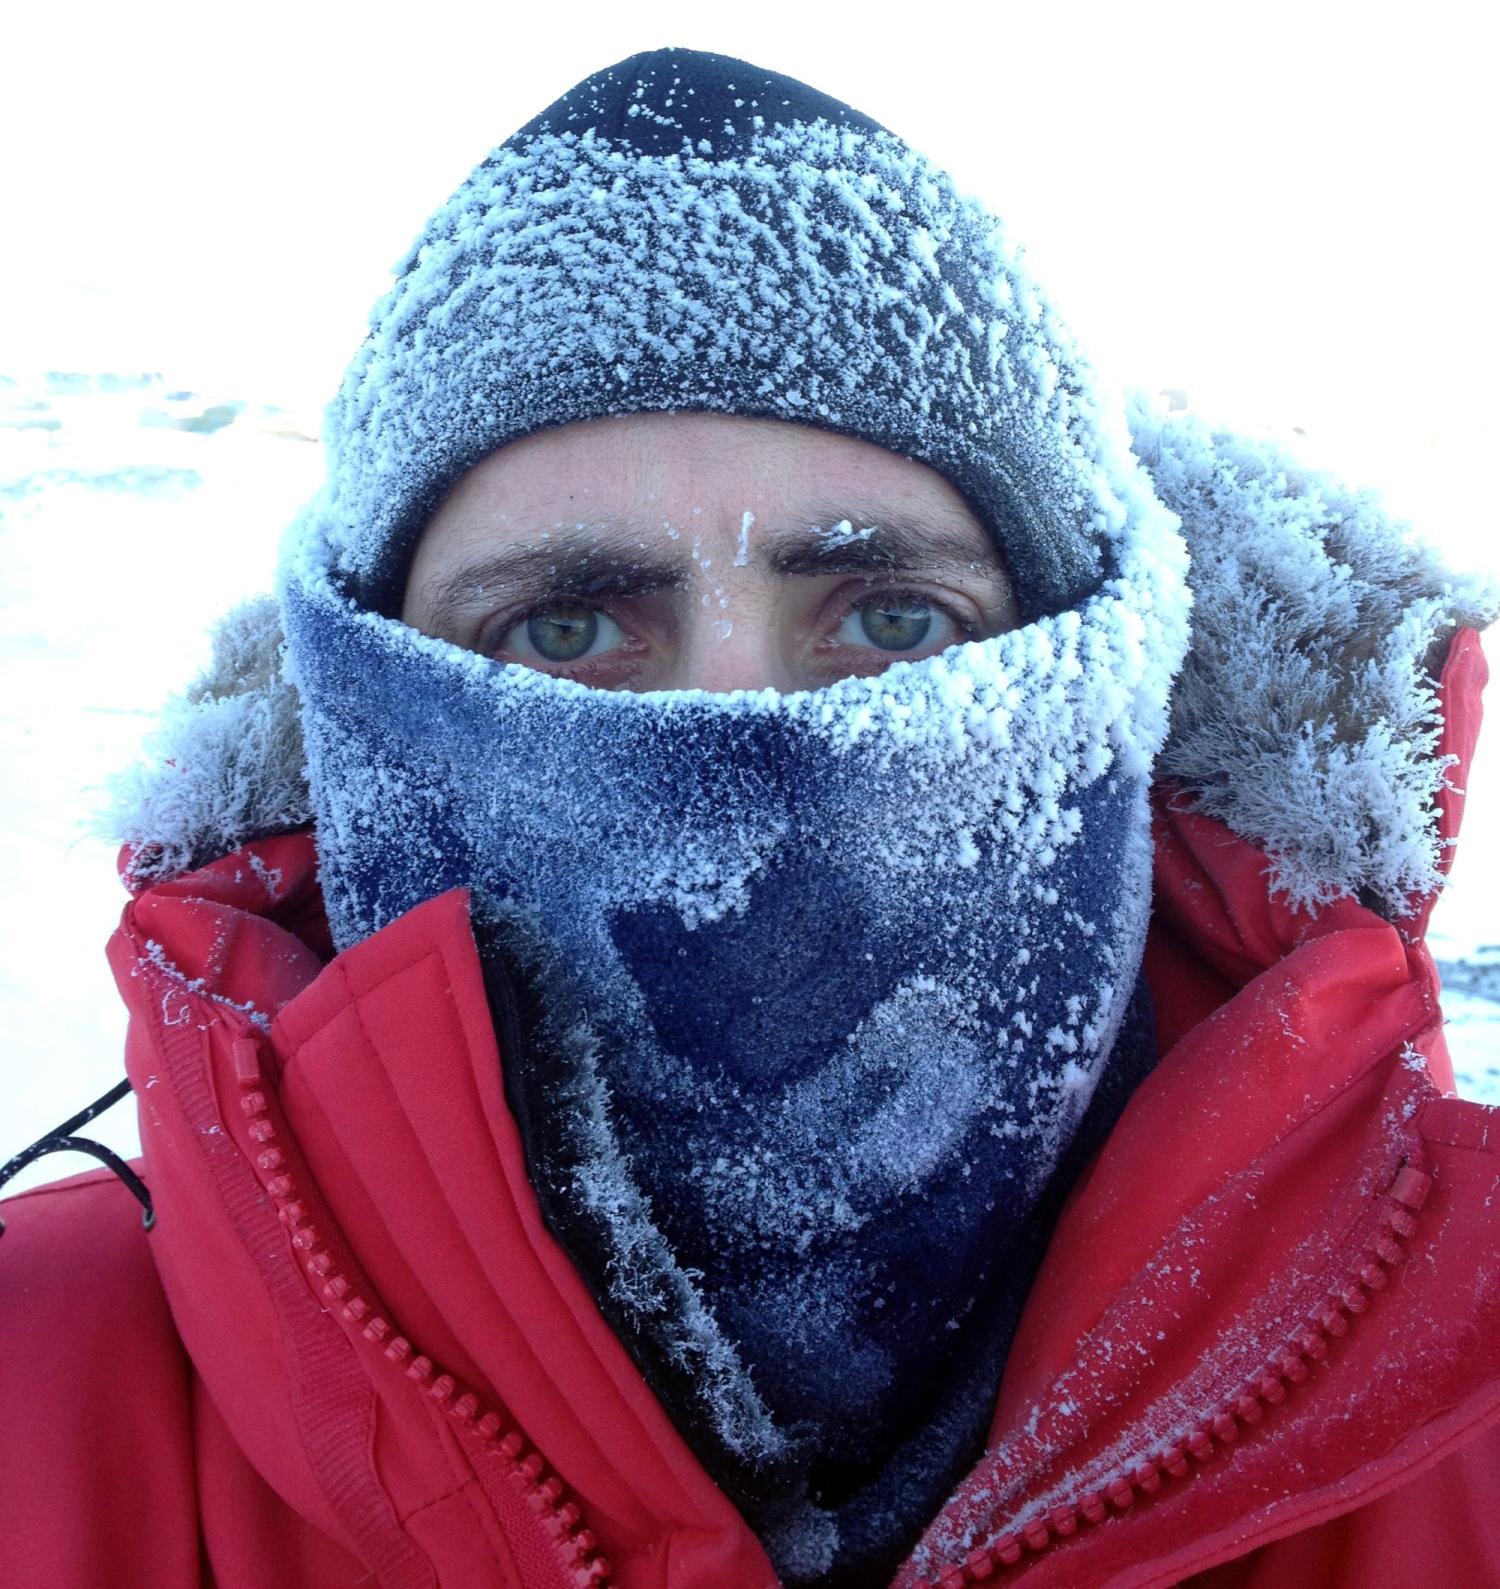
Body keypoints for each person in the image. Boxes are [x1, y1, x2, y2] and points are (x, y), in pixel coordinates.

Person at [1, 46, 1497, 1589]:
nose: (736, 751)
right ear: (358, 727)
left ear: (1108, 708)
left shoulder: (1464, 1393)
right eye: (567, 630)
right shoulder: (40, 1388)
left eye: (895, 622)